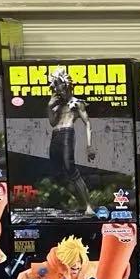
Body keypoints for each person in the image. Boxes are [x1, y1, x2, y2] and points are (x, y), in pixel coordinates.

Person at [48, 71, 95, 216]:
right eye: (55, 86)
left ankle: (88, 206)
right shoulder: (57, 105)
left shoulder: (77, 103)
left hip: (67, 133)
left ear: (67, 85)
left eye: (59, 85)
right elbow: (52, 123)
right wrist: (49, 107)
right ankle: (81, 203)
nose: (57, 89)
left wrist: (89, 146)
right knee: (57, 174)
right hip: (55, 135)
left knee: (71, 170)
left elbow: (87, 123)